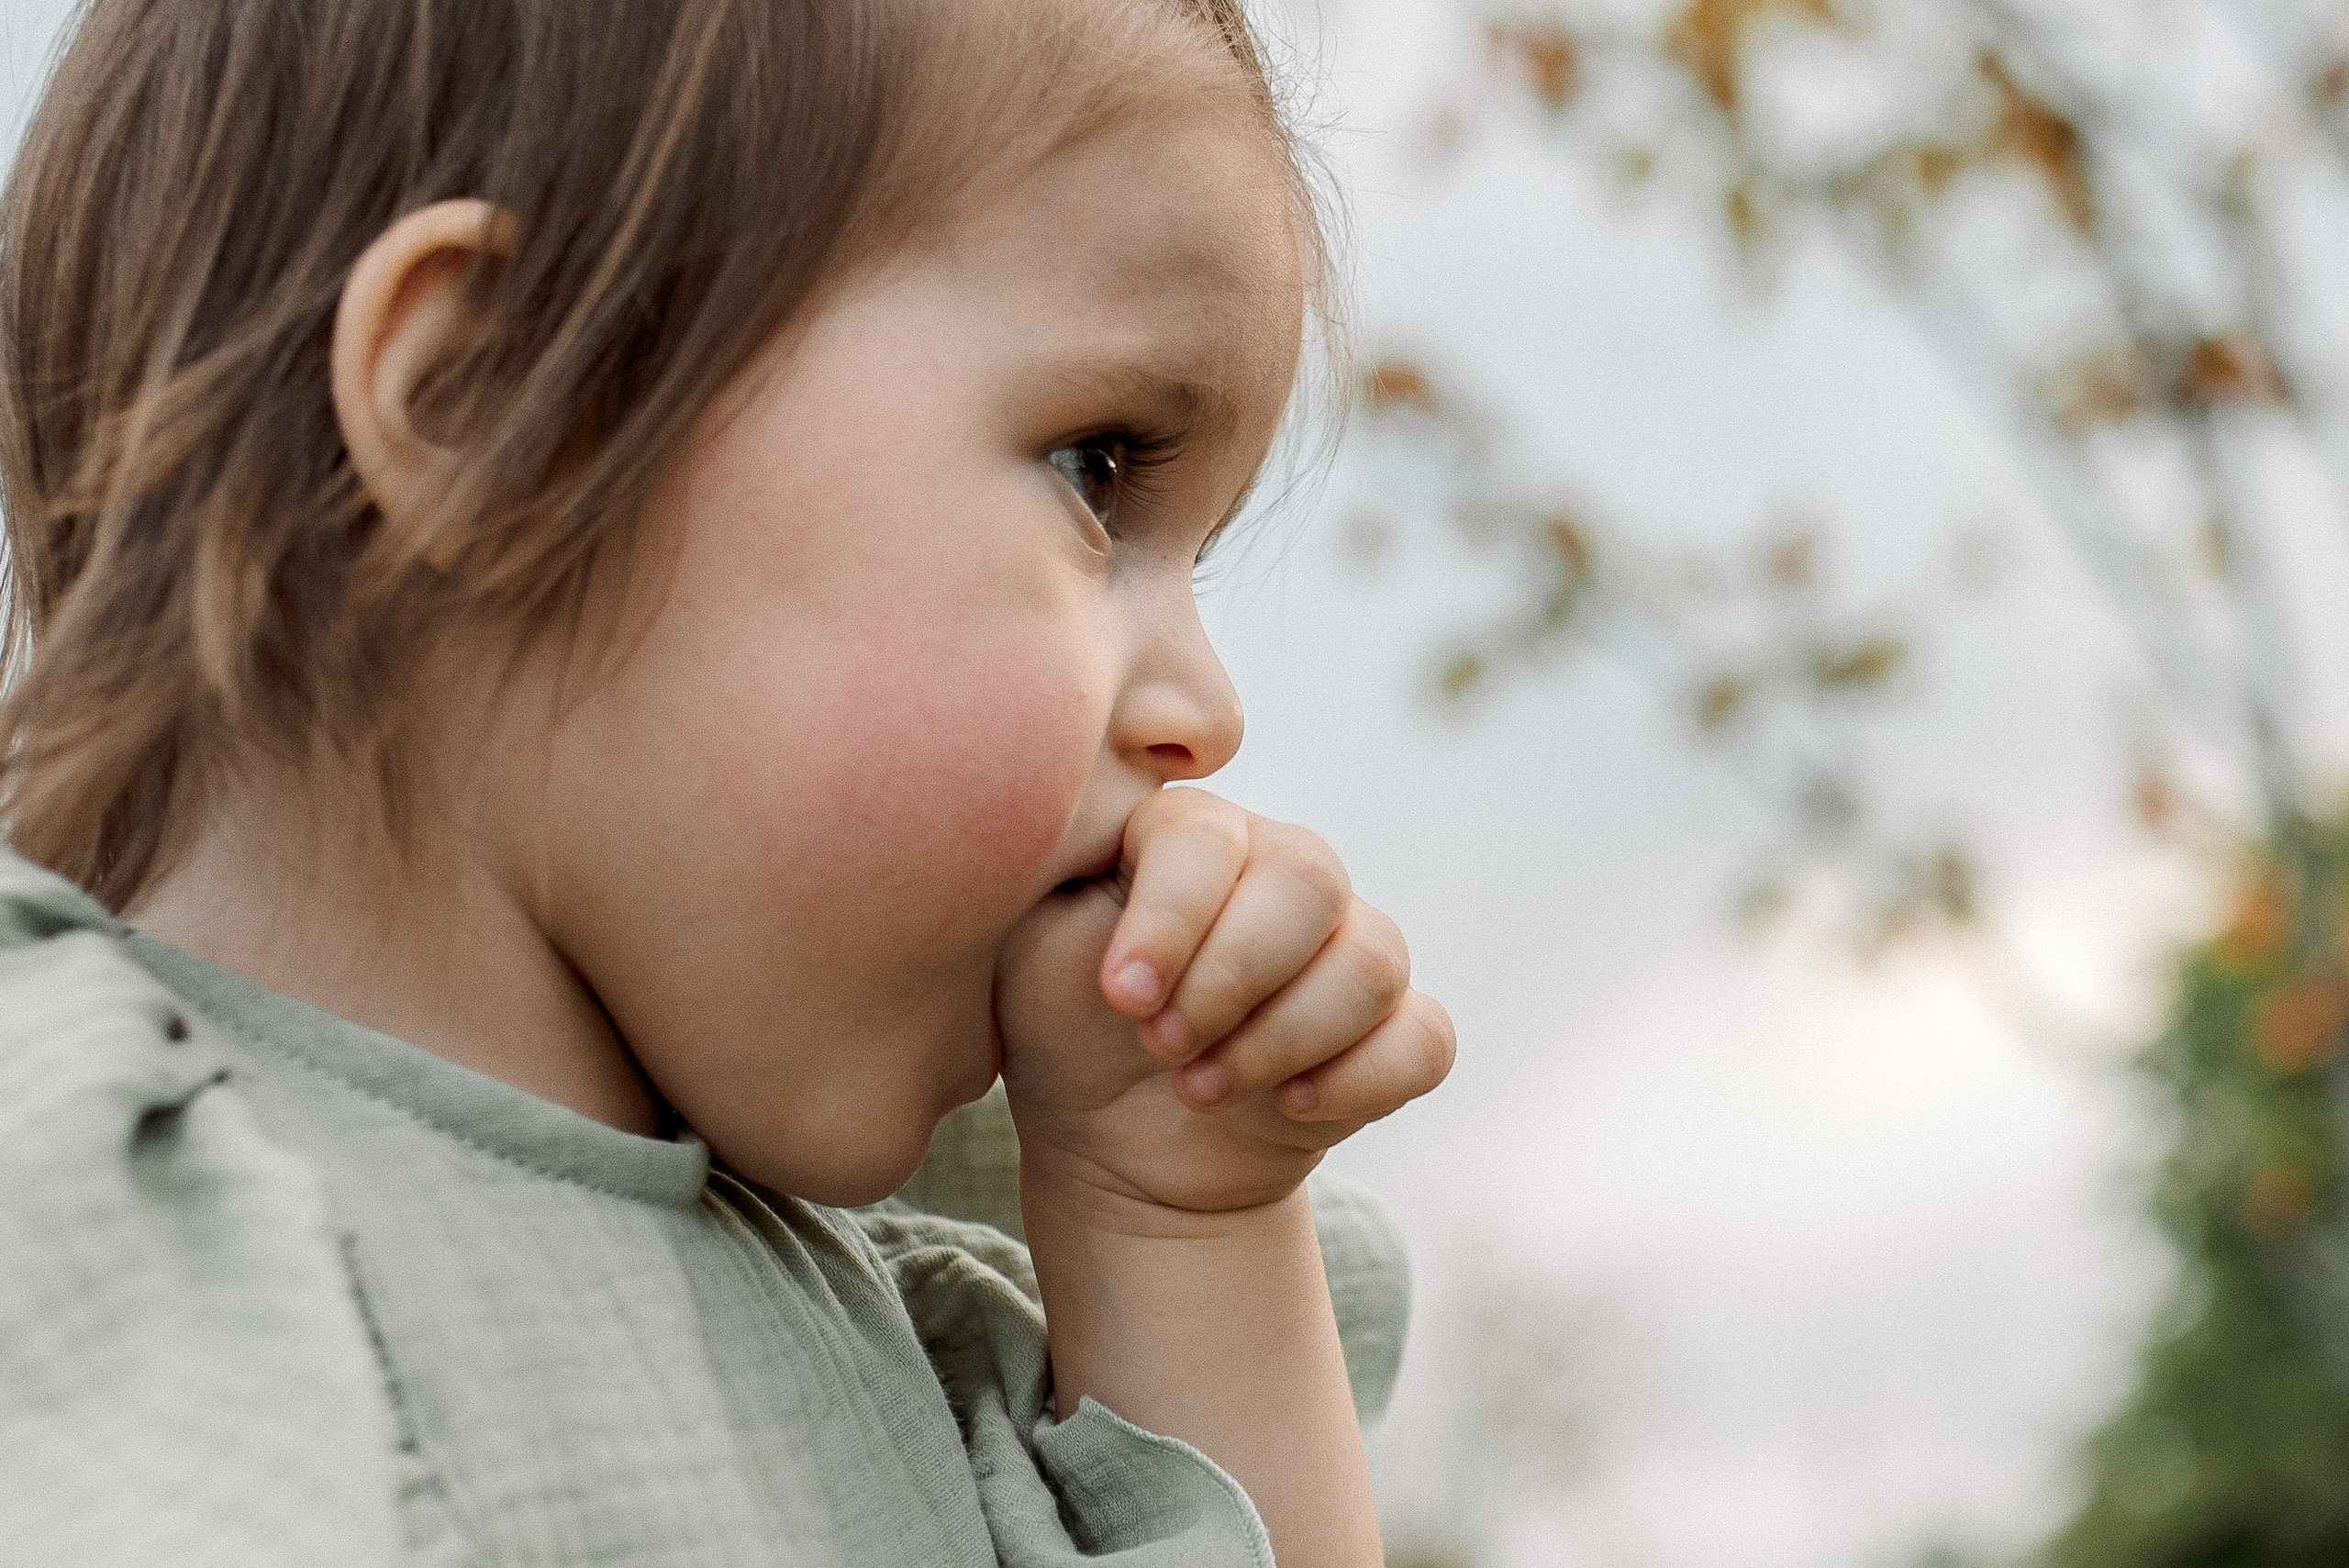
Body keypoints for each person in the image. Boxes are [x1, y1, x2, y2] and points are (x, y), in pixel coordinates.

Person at [0, 0, 1455, 1563]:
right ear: (501, 415)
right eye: (1096, 469)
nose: (1206, 713)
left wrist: (1180, 1230)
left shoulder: (926, 1340)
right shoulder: (79, 1197)